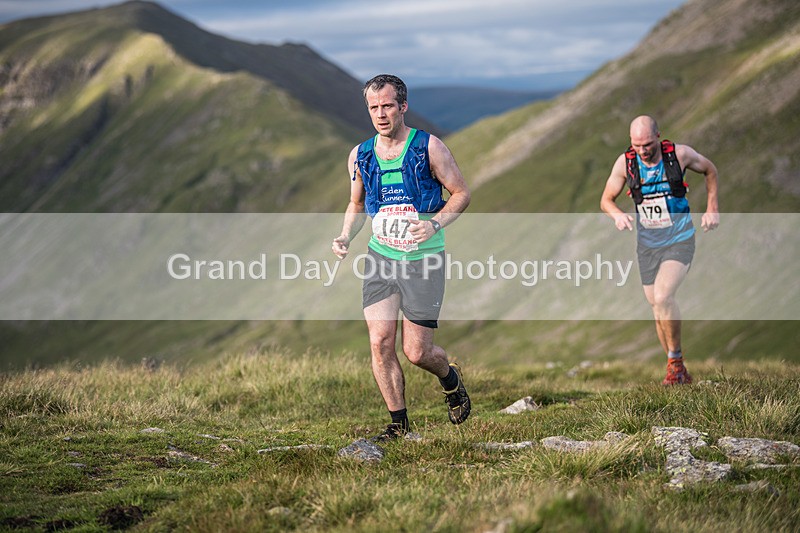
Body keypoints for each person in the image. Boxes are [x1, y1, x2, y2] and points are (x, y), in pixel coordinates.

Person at [331, 74, 472, 440]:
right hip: (381, 258)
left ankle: (450, 378)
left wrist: (434, 224)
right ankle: (399, 424)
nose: (381, 114)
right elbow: (357, 204)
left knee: (417, 352)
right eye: (373, 107)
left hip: (423, 260)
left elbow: (461, 193)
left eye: (388, 106)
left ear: (403, 106)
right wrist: (346, 235)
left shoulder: (429, 147)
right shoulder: (360, 155)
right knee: (380, 341)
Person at [600, 115, 719, 385]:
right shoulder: (626, 163)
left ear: (657, 136)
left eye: (647, 144)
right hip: (647, 245)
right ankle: (677, 370)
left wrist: (712, 208)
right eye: (637, 145)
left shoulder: (679, 155)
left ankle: (675, 364)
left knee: (664, 297)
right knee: (656, 305)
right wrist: (617, 215)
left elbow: (710, 170)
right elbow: (606, 199)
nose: (642, 151)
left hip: (679, 239)